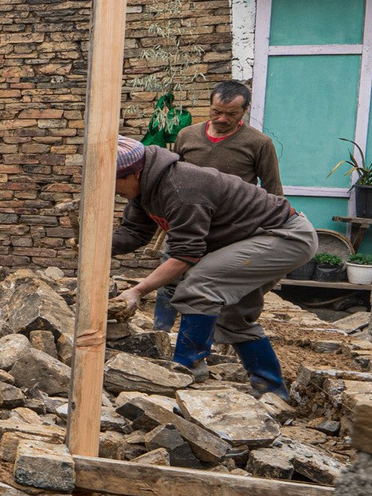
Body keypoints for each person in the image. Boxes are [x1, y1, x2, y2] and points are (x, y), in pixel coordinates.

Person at [111, 135, 317, 402]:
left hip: (283, 237)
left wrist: (137, 290)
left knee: (200, 285)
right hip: (254, 237)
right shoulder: (146, 187)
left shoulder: (181, 188)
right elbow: (135, 232)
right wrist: (94, 244)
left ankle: (185, 372)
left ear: (133, 173)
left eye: (113, 183)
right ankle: (273, 393)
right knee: (233, 316)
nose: (112, 191)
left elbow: (185, 255)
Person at [173, 80, 285, 197]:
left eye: (231, 114)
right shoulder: (186, 135)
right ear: (210, 106)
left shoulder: (260, 143)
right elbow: (173, 178)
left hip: (237, 213)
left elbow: (273, 190)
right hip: (192, 212)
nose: (222, 119)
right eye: (217, 111)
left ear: (244, 111)